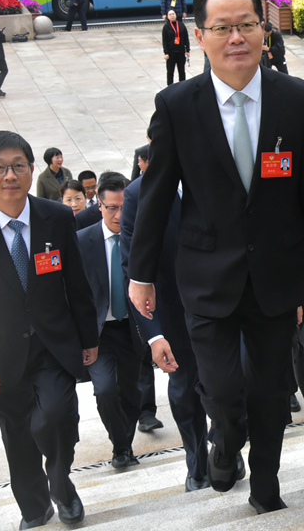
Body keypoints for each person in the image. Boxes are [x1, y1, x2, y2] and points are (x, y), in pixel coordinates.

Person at [127, 0, 304, 514]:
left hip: (276, 274)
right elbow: (154, 196)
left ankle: (267, 488)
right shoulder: (177, 105)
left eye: (247, 24)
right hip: (206, 274)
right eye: (223, 28)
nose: (236, 37)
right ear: (200, 35)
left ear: (264, 30)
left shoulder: (296, 99)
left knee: (269, 393)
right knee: (220, 390)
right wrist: (141, 272)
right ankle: (224, 440)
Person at [0, 131, 98, 529]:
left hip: (53, 344)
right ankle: (35, 509)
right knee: (17, 435)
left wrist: (89, 339)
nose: (9, 175)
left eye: (18, 166)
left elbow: (77, 283)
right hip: (0, 353)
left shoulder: (55, 218)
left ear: (32, 170)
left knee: (56, 416)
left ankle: (60, 482)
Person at [120, 170, 210, 491]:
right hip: (173, 312)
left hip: (225, 305)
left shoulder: (219, 169)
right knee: (186, 391)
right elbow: (134, 269)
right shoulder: (138, 194)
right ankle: (197, 463)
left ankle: (227, 445)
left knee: (231, 383)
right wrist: (154, 335)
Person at [77, 173, 145, 470]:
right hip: (99, 332)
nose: (119, 215)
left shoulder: (140, 237)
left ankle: (124, 446)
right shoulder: (82, 241)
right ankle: (120, 445)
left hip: (133, 329)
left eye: (124, 207)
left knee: (131, 392)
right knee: (105, 390)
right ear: (100, 207)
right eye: (112, 208)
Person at [162, 9, 190, 86]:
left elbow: (186, 38)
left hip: (181, 52)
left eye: (173, 14)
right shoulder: (166, 27)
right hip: (171, 53)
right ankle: (170, 87)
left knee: (182, 71)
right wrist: (166, 53)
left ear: (176, 15)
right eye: (170, 14)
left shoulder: (181, 25)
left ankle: (183, 86)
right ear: (167, 16)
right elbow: (164, 41)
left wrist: (187, 50)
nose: (172, 16)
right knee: (170, 72)